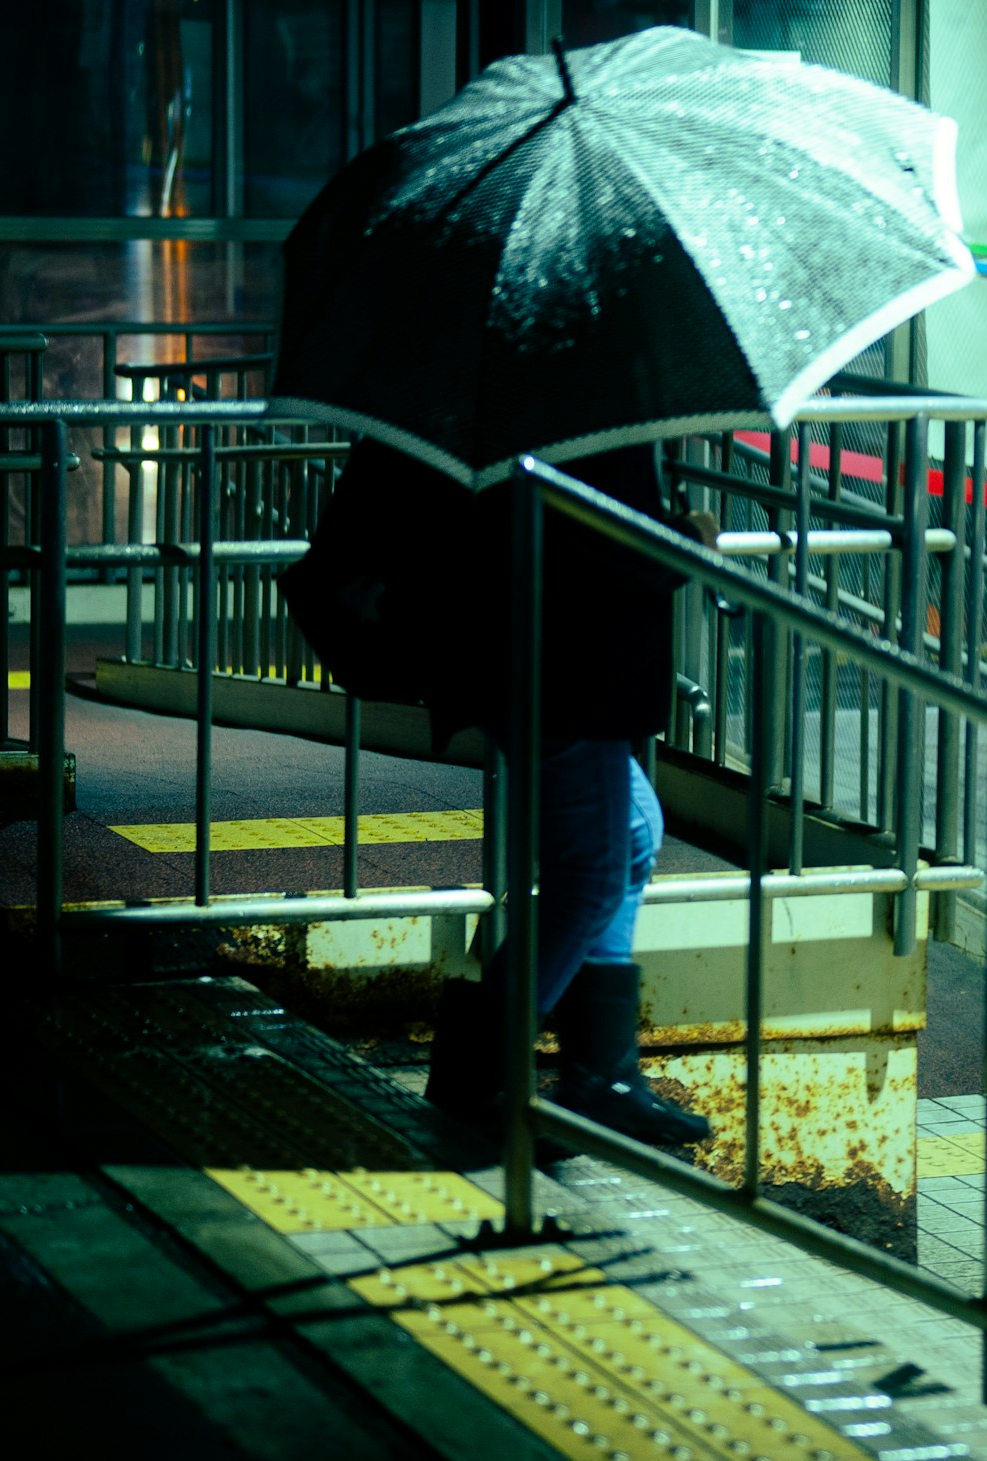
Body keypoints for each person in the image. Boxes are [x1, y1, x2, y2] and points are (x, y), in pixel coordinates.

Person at [288, 441, 712, 1151]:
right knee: (594, 871)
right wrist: (685, 541)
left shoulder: (499, 395)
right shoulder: (584, 392)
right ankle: (478, 1083)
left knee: (631, 834)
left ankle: (600, 1073)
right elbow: (604, 539)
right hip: (560, 658)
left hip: (508, 647)